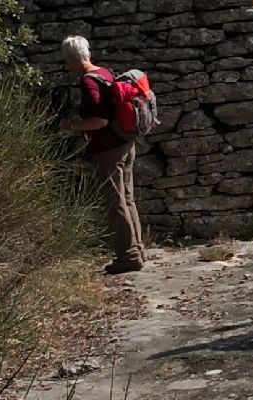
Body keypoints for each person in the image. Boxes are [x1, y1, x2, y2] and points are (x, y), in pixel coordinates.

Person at [58, 36, 145, 274]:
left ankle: (128, 256)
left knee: (115, 202)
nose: (67, 67)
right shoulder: (105, 72)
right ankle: (137, 249)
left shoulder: (88, 82)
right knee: (127, 198)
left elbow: (100, 120)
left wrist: (70, 125)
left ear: (72, 59)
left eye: (67, 62)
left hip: (108, 149)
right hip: (126, 144)